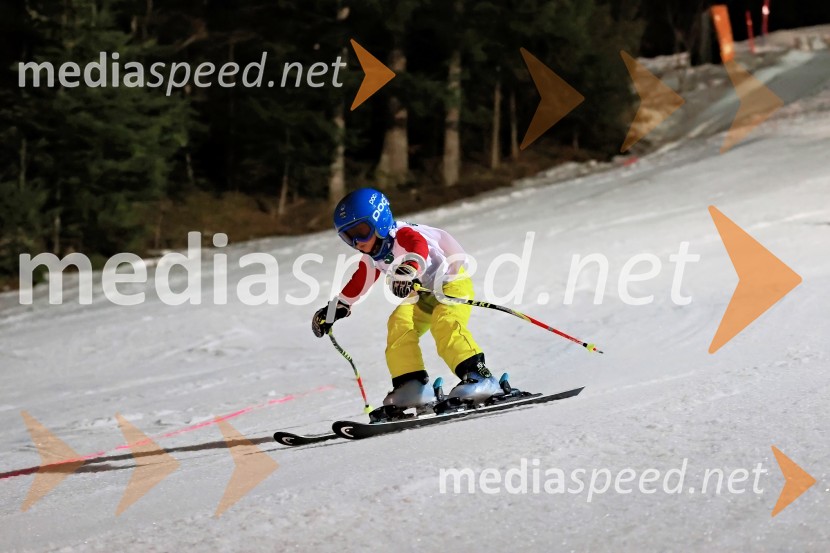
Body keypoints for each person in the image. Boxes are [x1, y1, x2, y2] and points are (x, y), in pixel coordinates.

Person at [311, 187, 500, 410]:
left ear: (379, 221)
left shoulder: (403, 234)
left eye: (361, 231)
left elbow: (418, 247)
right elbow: (360, 281)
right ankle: (412, 385)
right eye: (348, 237)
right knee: (399, 324)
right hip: (422, 295)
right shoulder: (374, 255)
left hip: (451, 283)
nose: (357, 242)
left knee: (446, 322)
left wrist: (408, 269)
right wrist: (336, 309)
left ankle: (480, 377)